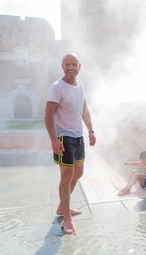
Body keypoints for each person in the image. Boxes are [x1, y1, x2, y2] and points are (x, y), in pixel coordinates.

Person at [44, 53, 97, 235]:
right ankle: (66, 218)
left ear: (79, 67)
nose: (71, 67)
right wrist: (53, 140)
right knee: (66, 177)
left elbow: (84, 110)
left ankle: (62, 207)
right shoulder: (57, 87)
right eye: (67, 64)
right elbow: (48, 115)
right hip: (63, 137)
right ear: (62, 66)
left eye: (74, 64)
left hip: (78, 137)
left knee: (79, 172)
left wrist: (90, 130)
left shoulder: (80, 86)